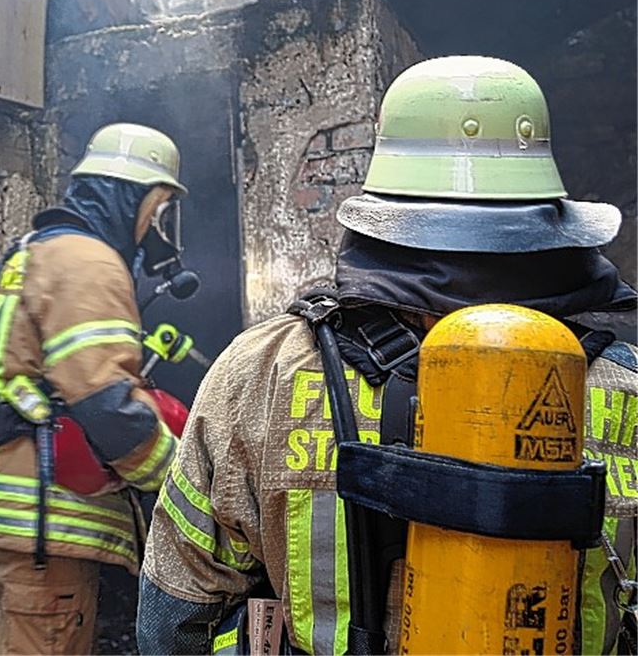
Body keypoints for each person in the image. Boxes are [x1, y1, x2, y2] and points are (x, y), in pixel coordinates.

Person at [137, 56, 637, 655]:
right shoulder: (625, 383)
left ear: (380, 215)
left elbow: (173, 617)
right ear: (550, 218)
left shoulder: (261, 370)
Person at [0, 122, 191, 655]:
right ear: (145, 200)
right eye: (163, 208)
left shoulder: (36, 249)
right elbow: (107, 406)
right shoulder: (88, 262)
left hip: (15, 517)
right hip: (45, 522)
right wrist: (177, 489)